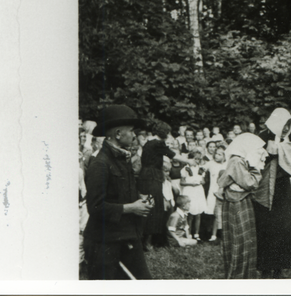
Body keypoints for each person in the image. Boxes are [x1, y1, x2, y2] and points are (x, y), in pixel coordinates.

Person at [84, 105, 153, 280]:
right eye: (131, 131)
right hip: (105, 243)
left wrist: (140, 199)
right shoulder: (100, 164)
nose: (134, 135)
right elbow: (95, 207)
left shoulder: (123, 158)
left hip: (127, 236)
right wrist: (131, 208)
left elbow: (120, 193)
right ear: (118, 134)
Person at [254, 108, 291, 279]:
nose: (285, 129)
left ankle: (280, 267)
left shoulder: (289, 137)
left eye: (288, 125)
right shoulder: (262, 136)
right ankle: (266, 267)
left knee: (282, 226)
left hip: (282, 186)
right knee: (266, 226)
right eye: (283, 125)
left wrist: (282, 151)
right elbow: (255, 160)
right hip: (266, 186)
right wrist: (268, 154)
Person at [217, 133, 267, 279]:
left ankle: (245, 273)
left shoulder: (241, 161)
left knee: (245, 239)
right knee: (239, 240)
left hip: (241, 200)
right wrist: (256, 170)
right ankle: (238, 274)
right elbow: (250, 183)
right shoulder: (237, 162)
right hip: (236, 203)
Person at [137, 120, 176, 250]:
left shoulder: (150, 143)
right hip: (152, 177)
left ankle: (151, 241)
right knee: (153, 208)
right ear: (164, 132)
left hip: (147, 176)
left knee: (152, 207)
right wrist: (190, 160)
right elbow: (173, 155)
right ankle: (147, 242)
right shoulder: (157, 143)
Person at [180, 149, 207, 240]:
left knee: (198, 213)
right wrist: (191, 184)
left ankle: (196, 234)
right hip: (189, 190)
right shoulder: (185, 169)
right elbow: (182, 183)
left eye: (199, 159)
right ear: (190, 159)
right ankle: (189, 233)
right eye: (195, 159)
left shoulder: (201, 169)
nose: (197, 161)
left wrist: (201, 182)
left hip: (198, 191)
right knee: (190, 213)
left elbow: (203, 180)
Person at [205, 145, 227, 241]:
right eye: (216, 154)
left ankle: (223, 235)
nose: (217, 156)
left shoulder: (227, 164)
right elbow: (201, 170)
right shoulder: (210, 164)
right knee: (214, 213)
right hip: (213, 191)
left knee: (223, 213)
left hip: (224, 191)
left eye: (219, 154)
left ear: (224, 155)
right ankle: (213, 235)